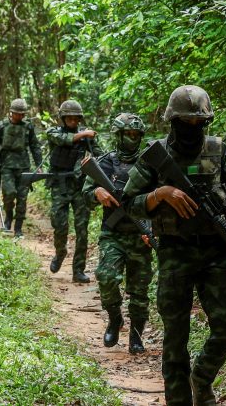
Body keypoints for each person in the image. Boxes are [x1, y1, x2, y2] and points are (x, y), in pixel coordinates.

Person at [122, 86, 226, 406]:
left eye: (199, 122)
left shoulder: (218, 150)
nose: (193, 128)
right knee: (175, 339)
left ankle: (202, 377)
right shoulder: (155, 155)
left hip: (215, 251)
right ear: (172, 121)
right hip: (174, 251)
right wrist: (161, 195)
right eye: (186, 122)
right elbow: (128, 202)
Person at [84, 112, 154, 353]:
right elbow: (85, 193)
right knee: (106, 276)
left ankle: (136, 336)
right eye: (128, 134)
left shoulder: (150, 163)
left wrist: (153, 230)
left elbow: (160, 200)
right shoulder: (104, 162)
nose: (132, 138)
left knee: (139, 289)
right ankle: (115, 318)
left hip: (140, 233)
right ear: (118, 135)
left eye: (136, 134)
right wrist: (96, 193)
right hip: (112, 233)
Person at [45, 99, 101, 283]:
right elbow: (63, 139)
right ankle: (60, 253)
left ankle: (78, 270)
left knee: (82, 230)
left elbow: (101, 156)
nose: (73, 122)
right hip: (60, 185)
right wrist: (84, 134)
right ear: (63, 118)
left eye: (76, 118)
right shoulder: (54, 132)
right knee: (59, 225)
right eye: (69, 118)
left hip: (79, 186)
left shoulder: (87, 137)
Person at [0, 98, 42, 237]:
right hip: (6, 166)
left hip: (24, 166)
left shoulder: (28, 127)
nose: (19, 116)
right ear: (11, 113)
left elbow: (35, 146)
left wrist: (39, 165)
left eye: (22, 114)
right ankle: (8, 219)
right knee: (9, 193)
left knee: (22, 198)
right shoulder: (1, 126)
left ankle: (18, 228)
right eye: (17, 114)